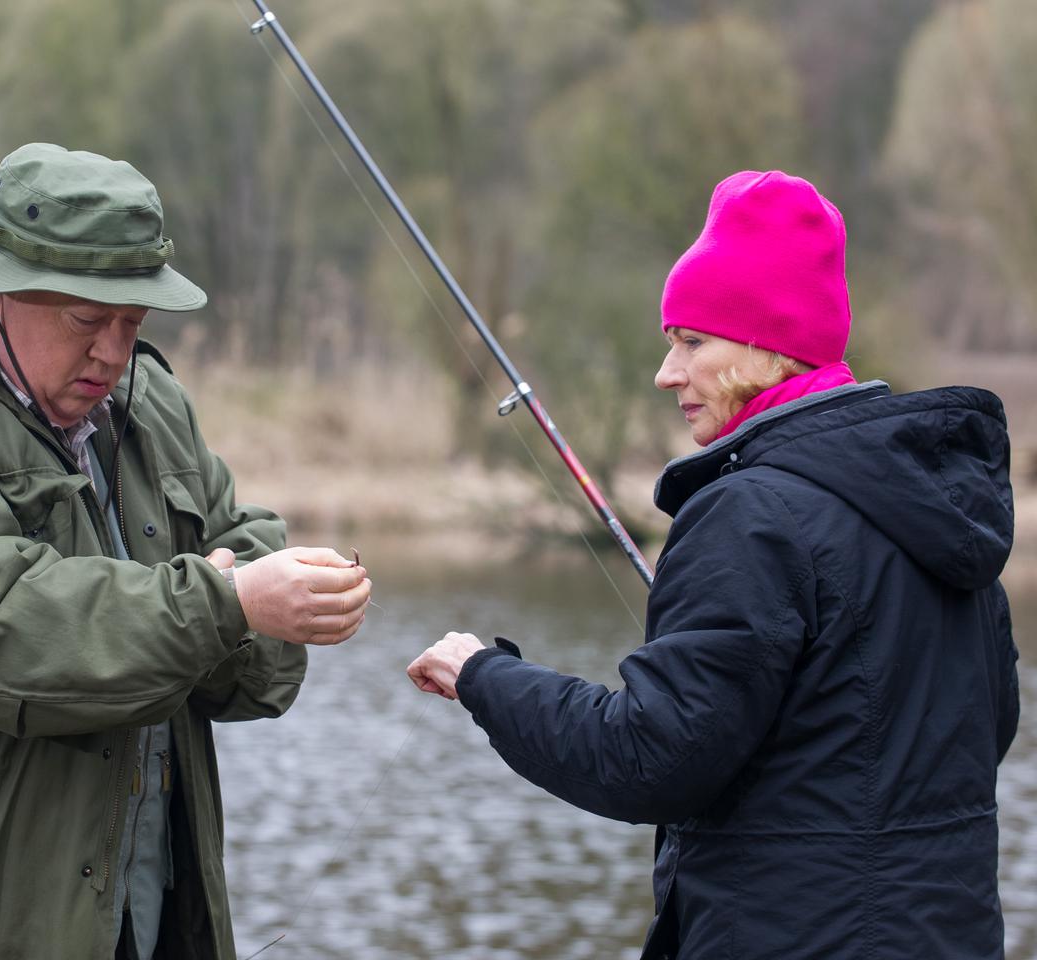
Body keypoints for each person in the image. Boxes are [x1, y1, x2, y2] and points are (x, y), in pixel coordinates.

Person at [0, 142, 371, 960]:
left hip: (141, 916)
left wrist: (249, 606)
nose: (113, 354)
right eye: (87, 319)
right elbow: (3, 634)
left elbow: (242, 556)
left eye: (134, 322)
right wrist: (227, 604)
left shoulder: (146, 399)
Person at [408, 170, 1019, 959]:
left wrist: (483, 676)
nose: (668, 374)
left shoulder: (748, 515)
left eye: (693, 343)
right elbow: (981, 728)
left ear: (769, 348)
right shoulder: (941, 501)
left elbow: (652, 759)